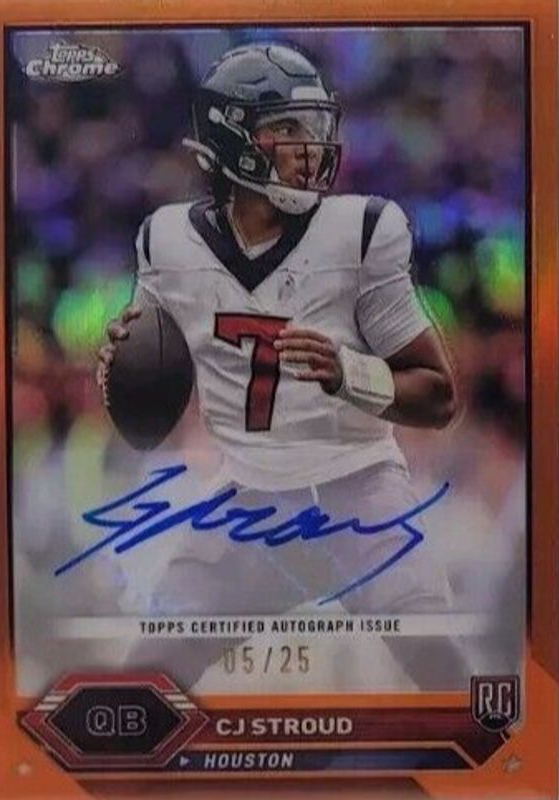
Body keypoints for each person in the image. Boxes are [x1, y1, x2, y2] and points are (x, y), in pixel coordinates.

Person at [97, 42, 468, 690]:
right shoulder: (167, 241)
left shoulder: (362, 231)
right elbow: (149, 386)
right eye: (287, 128)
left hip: (359, 486)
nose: (309, 146)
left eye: (313, 126)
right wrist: (118, 364)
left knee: (440, 664)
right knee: (143, 686)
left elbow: (438, 397)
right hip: (250, 498)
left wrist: (348, 373)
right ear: (233, 137)